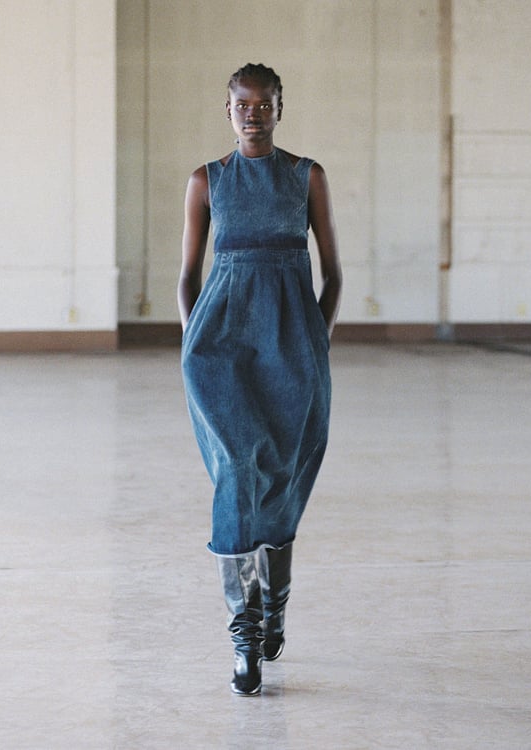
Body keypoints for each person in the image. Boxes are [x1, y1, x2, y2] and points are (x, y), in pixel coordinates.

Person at [178, 63, 342, 696]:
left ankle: (276, 607)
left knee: (283, 477)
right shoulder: (206, 180)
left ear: (279, 107)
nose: (252, 113)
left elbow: (334, 274)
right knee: (236, 474)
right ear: (227, 110)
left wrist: (316, 339)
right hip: (220, 349)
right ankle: (243, 638)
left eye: (263, 103)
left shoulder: (307, 176)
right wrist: (192, 340)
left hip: (292, 349)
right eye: (241, 104)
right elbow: (187, 276)